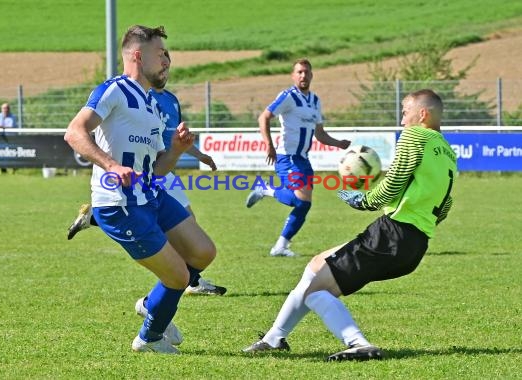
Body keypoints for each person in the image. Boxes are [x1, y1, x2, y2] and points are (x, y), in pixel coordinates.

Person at [243, 89, 457, 361]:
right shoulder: (448, 152)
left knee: (316, 291)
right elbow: (445, 205)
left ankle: (358, 343)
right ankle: (273, 338)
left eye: (405, 112)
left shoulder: (415, 135)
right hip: (416, 244)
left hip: (392, 234)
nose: (402, 120)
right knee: (316, 265)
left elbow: (394, 182)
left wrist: (363, 201)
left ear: (422, 114)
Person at [64, 25, 217, 354]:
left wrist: (175, 149)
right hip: (120, 205)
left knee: (203, 252)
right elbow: (74, 132)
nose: (167, 61)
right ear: (137, 55)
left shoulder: (150, 104)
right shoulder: (114, 91)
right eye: (161, 54)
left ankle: (153, 304)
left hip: (151, 196)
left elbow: (157, 170)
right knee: (177, 276)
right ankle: (149, 338)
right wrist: (110, 165)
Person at [245, 58, 350, 257]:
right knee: (300, 201)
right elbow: (264, 117)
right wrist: (268, 144)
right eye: (299, 72)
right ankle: (265, 190)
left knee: (304, 204)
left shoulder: (315, 101)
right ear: (293, 76)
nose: (303, 75)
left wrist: (339, 143)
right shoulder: (288, 96)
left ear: (311, 75)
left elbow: (320, 134)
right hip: (288, 157)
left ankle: (280, 247)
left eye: (306, 72)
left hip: (303, 159)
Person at [0, 103, 17, 173]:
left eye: (7, 108)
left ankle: (14, 169)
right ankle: (3, 170)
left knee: (12, 154)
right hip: (1, 138)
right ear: (1, 109)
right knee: (1, 154)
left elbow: (10, 127)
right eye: (4, 108)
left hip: (10, 139)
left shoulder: (12, 117)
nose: (5, 110)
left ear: (9, 109)